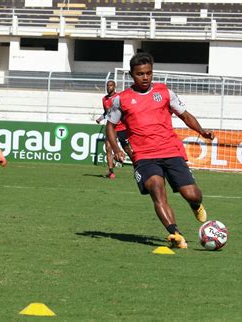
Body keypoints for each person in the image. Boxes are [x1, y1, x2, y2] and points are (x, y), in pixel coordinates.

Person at [106, 52, 214, 249]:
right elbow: (110, 126)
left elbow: (184, 115)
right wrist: (116, 149)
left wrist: (201, 131)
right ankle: (175, 233)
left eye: (148, 73)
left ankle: (195, 205)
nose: (145, 77)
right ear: (132, 75)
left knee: (192, 194)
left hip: (170, 150)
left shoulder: (165, 92)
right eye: (140, 74)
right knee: (156, 187)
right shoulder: (121, 100)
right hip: (144, 156)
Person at [96, 80, 133, 179]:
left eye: (111, 85)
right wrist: (100, 119)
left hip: (121, 127)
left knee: (127, 149)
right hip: (110, 127)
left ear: (114, 87)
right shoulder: (104, 99)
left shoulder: (119, 97)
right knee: (108, 148)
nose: (109, 87)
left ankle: (138, 168)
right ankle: (111, 171)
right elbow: (106, 113)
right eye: (107, 86)